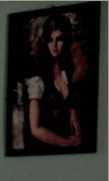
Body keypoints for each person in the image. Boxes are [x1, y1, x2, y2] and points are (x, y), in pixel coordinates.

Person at [25, 14, 81, 153]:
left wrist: (73, 113)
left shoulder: (67, 69)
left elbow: (69, 100)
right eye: (50, 40)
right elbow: (35, 129)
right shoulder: (38, 77)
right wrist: (67, 143)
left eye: (59, 39)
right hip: (44, 149)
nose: (54, 45)